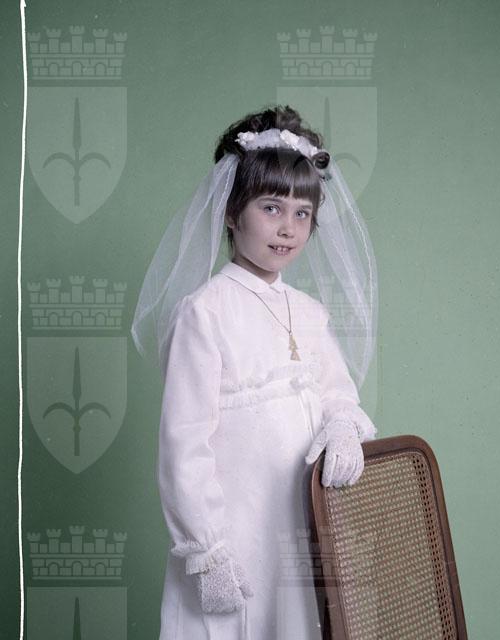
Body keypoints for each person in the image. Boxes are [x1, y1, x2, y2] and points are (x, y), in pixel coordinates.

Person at [132, 105, 379, 640]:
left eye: (302, 214)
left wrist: (342, 423)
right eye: (271, 208)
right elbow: (184, 445)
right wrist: (207, 552)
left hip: (297, 531)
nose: (288, 228)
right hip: (236, 539)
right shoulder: (206, 312)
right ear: (230, 211)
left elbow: (338, 393)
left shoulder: (310, 313)